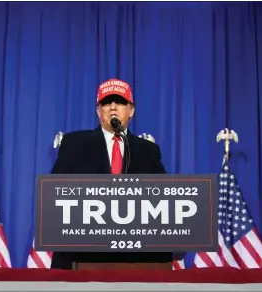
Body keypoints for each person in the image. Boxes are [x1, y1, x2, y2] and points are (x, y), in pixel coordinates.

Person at [50, 78, 182, 269]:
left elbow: (164, 198)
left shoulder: (148, 150)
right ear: (98, 111)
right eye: (106, 103)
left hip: (136, 258)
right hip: (82, 254)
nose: (113, 107)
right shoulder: (74, 144)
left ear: (132, 111)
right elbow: (55, 192)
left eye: (120, 102)